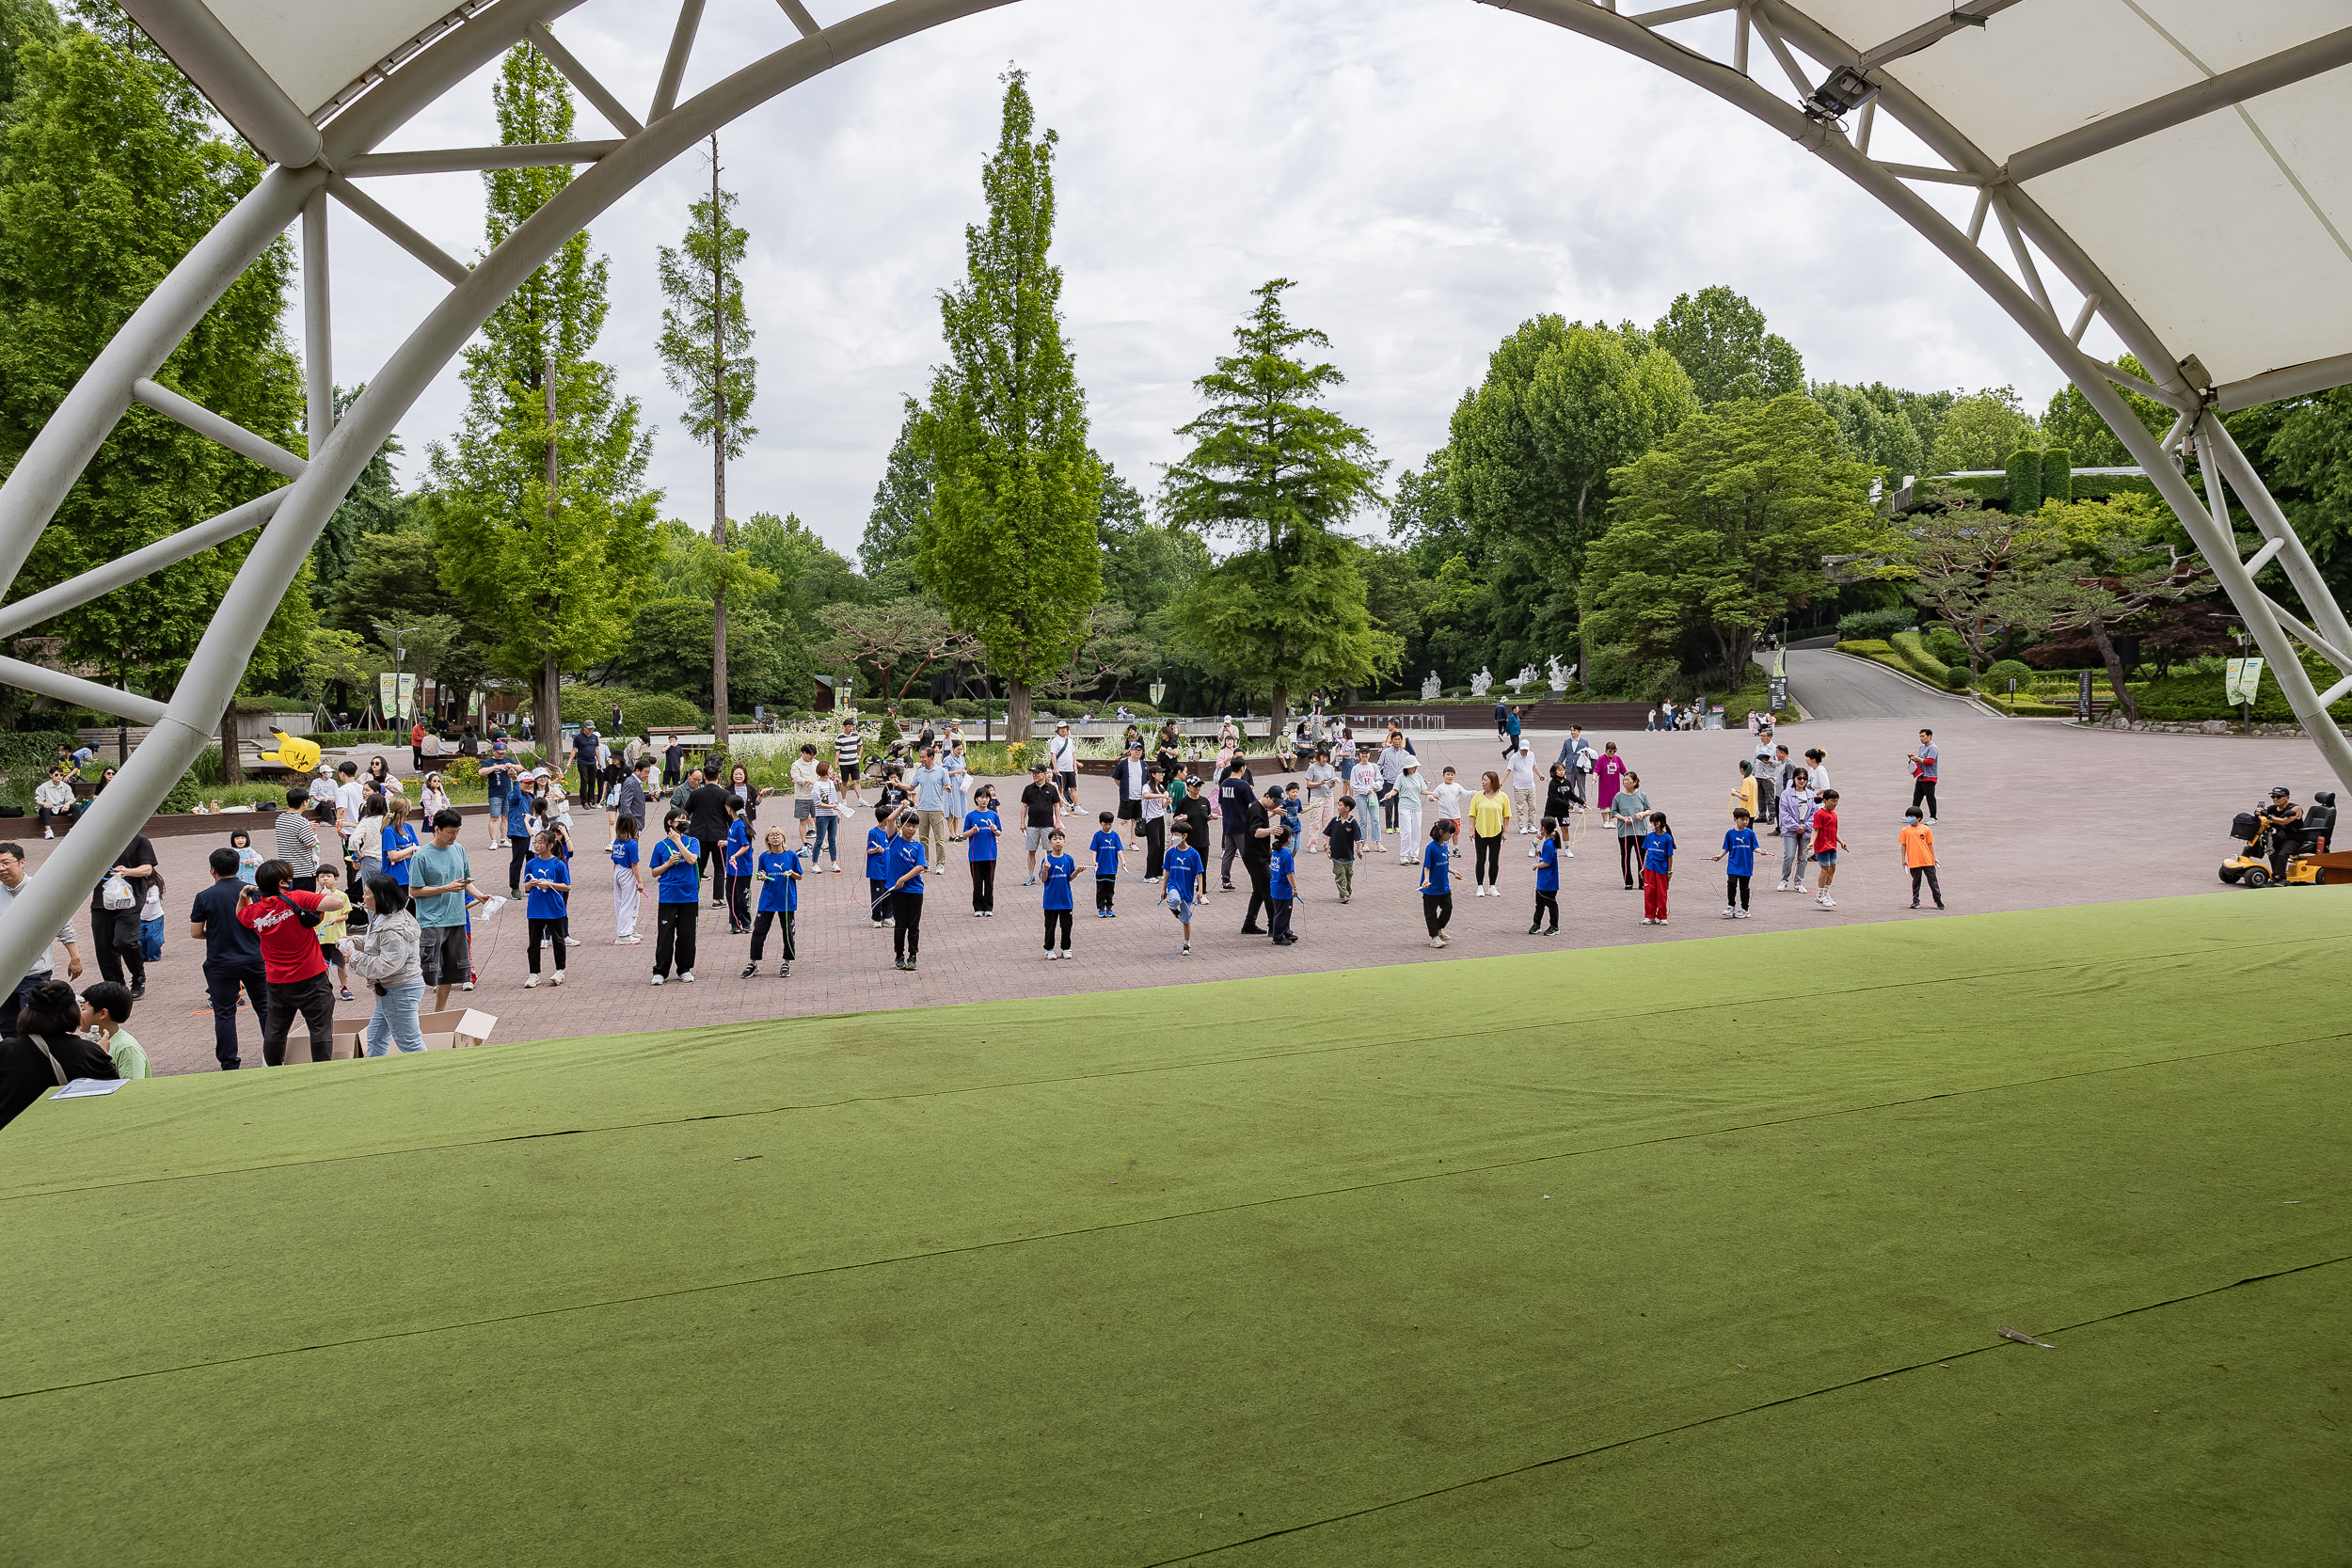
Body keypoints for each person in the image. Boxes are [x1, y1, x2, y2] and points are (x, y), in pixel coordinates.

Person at [238, 859, 345, 1065]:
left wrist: (245, 897)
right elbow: (337, 903)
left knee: (276, 1029)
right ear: (282, 882)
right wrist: (321, 894)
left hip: (277, 980)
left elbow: (241, 913)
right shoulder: (297, 897)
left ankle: (274, 1069)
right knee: (320, 1027)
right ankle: (324, 1070)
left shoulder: (254, 912)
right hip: (311, 976)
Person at [0, 979, 118, 1129]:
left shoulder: (7, 1049)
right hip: (63, 1134)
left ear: (28, 1012)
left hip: (10, 1136)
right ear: (72, 1012)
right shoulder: (87, 1052)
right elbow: (113, 1096)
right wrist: (101, 1055)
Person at [345, 874, 425, 1056]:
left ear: (380, 896)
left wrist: (355, 957)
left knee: (409, 1041)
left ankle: (433, 1076)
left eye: (366, 893)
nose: (362, 897)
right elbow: (377, 943)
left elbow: (387, 964)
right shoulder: (387, 916)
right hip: (392, 989)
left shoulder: (392, 927)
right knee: (375, 1037)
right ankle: (373, 1076)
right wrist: (355, 941)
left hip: (398, 989)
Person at [409, 809, 475, 1012]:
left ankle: (440, 1013)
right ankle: (413, 1013)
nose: (454, 836)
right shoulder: (421, 856)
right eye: (450, 832)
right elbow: (415, 891)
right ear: (436, 829)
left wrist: (480, 895)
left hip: (456, 920)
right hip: (431, 922)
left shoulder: (459, 849)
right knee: (426, 971)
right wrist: (445, 888)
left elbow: (465, 881)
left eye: (457, 831)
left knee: (449, 973)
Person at [89, 825, 158, 998]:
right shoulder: (97, 841)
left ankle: (138, 975)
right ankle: (116, 987)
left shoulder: (139, 840)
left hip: (130, 899)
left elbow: (147, 869)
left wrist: (128, 872)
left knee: (124, 941)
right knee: (104, 947)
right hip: (102, 900)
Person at [648, 809, 701, 985]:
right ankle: (660, 971)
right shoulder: (660, 846)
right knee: (665, 936)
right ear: (670, 823)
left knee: (687, 935)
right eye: (680, 819)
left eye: (686, 819)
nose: (685, 822)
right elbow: (655, 872)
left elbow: (692, 859)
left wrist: (679, 842)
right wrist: (668, 863)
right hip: (668, 897)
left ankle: (684, 969)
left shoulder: (692, 841)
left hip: (689, 896)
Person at [744, 827, 803, 977]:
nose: (775, 837)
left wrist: (792, 874)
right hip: (768, 900)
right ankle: (753, 962)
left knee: (788, 932)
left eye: (778, 835)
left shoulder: (791, 856)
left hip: (786, 900)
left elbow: (799, 876)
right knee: (758, 931)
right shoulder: (764, 857)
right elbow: (760, 874)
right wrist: (761, 876)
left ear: (783, 837)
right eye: (771, 835)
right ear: (767, 840)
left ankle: (786, 962)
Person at [884, 812, 927, 972]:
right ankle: (899, 955)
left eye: (914, 826)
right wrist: (902, 806)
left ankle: (913, 956)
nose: (911, 829)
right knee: (900, 925)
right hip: (898, 891)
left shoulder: (918, 846)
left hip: (915, 890)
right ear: (901, 825)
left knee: (913, 925)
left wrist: (903, 878)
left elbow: (920, 866)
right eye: (908, 825)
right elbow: (890, 819)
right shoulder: (894, 840)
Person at [79, 979, 148, 1079]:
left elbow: (133, 1088)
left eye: (83, 1009)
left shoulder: (127, 1048)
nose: (78, 1014)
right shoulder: (88, 1041)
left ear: (103, 1014)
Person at [686, 768, 731, 904]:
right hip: (719, 836)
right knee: (719, 868)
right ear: (718, 777)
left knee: (698, 868)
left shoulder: (696, 793)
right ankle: (717, 900)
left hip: (698, 835)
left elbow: (686, 811)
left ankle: (692, 897)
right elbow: (729, 816)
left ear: (704, 777)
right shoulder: (725, 794)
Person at [1239, 787, 1278, 934]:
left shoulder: (1261, 807)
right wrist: (1271, 830)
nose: (1276, 805)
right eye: (1275, 802)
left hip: (1259, 855)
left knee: (1258, 891)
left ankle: (1249, 924)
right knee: (1269, 891)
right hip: (1256, 858)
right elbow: (1256, 832)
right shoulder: (1256, 810)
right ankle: (1274, 927)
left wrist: (1274, 812)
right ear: (1267, 797)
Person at [1468, 770, 1512, 895]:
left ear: (1493, 782)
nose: (1483, 782)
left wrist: (1505, 831)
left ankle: (1492, 886)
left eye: (1486, 780)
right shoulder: (1478, 796)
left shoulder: (1503, 796)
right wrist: (1471, 830)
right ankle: (1480, 886)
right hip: (1480, 832)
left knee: (1494, 859)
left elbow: (1506, 815)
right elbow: (1472, 814)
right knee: (1480, 860)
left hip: (1496, 832)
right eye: (1482, 779)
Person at [1019, 763, 1064, 886]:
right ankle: (1031, 875)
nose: (1034, 775)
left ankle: (1049, 874)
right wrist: (1022, 822)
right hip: (1032, 824)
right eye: (1033, 773)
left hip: (1048, 825)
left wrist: (1058, 821)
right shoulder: (1028, 789)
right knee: (1031, 850)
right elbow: (1024, 806)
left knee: (1050, 851)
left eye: (1037, 773)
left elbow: (1056, 805)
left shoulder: (1051, 788)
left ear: (1044, 774)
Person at [1163, 821, 1204, 955]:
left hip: (1187, 889)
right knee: (1174, 898)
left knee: (1186, 919)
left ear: (1184, 836)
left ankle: (1187, 944)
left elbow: (1199, 873)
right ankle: (1173, 908)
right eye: (1173, 834)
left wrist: (1200, 890)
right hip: (1173, 885)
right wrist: (1164, 889)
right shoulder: (1170, 853)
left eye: (1176, 834)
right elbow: (1167, 871)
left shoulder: (1193, 854)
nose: (1174, 837)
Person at [909, 747, 951, 871]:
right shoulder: (920, 771)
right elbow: (911, 787)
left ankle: (940, 864)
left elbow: (948, 785)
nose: (921, 759)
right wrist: (898, 784)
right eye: (920, 757)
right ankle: (924, 863)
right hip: (922, 809)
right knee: (923, 838)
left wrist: (949, 787)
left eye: (923, 757)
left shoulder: (941, 771)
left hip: (936, 809)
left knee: (939, 838)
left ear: (931, 758)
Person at [314, 864, 353, 1001]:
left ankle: (344, 988)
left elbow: (346, 915)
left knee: (341, 963)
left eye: (329, 876)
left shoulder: (342, 896)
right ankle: (326, 989)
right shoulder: (315, 897)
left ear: (336, 879)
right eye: (322, 877)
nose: (325, 879)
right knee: (323, 965)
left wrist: (336, 919)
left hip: (338, 937)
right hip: (321, 938)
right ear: (317, 880)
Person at [1216, 758, 1255, 892]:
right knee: (1248, 854)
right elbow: (1254, 803)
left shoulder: (1224, 784)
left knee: (1228, 853)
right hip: (1241, 825)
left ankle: (1225, 881)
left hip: (1227, 824)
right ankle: (1257, 881)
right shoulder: (1243, 785)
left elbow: (1220, 803)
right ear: (1242, 768)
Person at [1714, 807, 1758, 919]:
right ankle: (1731, 905)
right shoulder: (1730, 833)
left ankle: (1745, 908)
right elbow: (1726, 847)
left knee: (1744, 887)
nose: (1745, 822)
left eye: (1747, 820)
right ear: (1735, 819)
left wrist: (1761, 851)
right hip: (1733, 864)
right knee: (1731, 883)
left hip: (1746, 865)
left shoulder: (1750, 833)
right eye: (1742, 820)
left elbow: (1755, 847)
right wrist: (1719, 856)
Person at [1610, 772, 1651, 892]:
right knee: (1626, 856)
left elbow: (1649, 810)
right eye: (1624, 780)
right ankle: (1628, 882)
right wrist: (1623, 818)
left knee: (1641, 857)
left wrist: (1642, 814)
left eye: (1628, 780)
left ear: (1635, 782)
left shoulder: (1642, 795)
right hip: (1625, 832)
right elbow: (1613, 812)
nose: (1625, 782)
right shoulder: (1618, 796)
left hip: (1640, 831)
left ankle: (1643, 881)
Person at [1039, 828, 1075, 959]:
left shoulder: (1068, 859)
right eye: (1055, 839)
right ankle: (1049, 949)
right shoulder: (1047, 861)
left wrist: (1078, 872)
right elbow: (1043, 880)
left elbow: (1069, 877)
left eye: (1060, 839)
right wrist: (1045, 870)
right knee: (1050, 927)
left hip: (1066, 900)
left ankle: (1066, 948)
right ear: (1050, 842)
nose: (1058, 842)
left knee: (1066, 926)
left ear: (1064, 841)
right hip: (1051, 901)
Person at [1419, 820, 1456, 948]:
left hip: (1444, 886)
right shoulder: (1431, 847)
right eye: (1449, 835)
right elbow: (1427, 866)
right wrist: (1426, 880)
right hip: (1431, 887)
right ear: (1441, 832)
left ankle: (1439, 929)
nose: (1450, 837)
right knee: (1431, 912)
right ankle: (1434, 937)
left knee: (1448, 908)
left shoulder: (1445, 846)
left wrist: (1453, 872)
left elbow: (1445, 863)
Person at [1777, 767, 1815, 894]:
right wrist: (1797, 827)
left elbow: (1816, 813)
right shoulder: (1786, 794)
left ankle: (1799, 883)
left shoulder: (1811, 795)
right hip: (1790, 830)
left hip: (1807, 829)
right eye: (1799, 778)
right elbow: (1784, 814)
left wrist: (1806, 826)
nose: (1802, 781)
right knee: (1789, 855)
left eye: (1805, 778)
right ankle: (1784, 880)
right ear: (1794, 778)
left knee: (1803, 858)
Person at [609, 813, 644, 945]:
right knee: (629, 902)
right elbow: (634, 864)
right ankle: (623, 934)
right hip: (628, 872)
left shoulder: (617, 842)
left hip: (618, 871)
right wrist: (640, 881)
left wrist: (614, 876)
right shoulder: (632, 844)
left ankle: (629, 928)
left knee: (621, 901)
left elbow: (614, 861)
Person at [723, 797, 755, 935]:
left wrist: (735, 856)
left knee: (742, 897)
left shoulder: (741, 825)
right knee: (730, 895)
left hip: (742, 869)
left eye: (726, 806)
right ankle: (735, 923)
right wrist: (726, 843)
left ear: (730, 808)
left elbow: (746, 845)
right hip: (731, 869)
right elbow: (735, 841)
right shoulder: (734, 823)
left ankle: (746, 923)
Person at [1901, 808, 1944, 910]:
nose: (1909, 819)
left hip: (1927, 860)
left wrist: (1935, 857)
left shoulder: (1926, 829)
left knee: (1933, 882)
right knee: (1916, 882)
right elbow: (1903, 845)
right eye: (1908, 817)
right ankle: (1915, 901)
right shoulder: (1905, 830)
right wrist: (1903, 859)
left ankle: (1938, 900)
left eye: (1911, 817)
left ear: (1919, 818)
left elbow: (1930, 844)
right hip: (1914, 860)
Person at [1639, 811, 1676, 926]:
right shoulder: (1649, 836)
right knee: (1649, 893)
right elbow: (1646, 853)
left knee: (1661, 893)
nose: (1651, 825)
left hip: (1661, 869)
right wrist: (1643, 868)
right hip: (1650, 868)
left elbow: (1670, 856)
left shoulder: (1667, 838)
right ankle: (1649, 916)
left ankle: (1662, 915)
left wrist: (1669, 871)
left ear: (1658, 823)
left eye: (1652, 823)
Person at [1324, 794, 1360, 903]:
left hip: (1348, 854)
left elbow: (1358, 838)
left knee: (1348, 874)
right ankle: (1344, 894)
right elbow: (1328, 834)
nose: (1338, 808)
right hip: (1336, 854)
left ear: (1347, 808)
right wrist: (1327, 847)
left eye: (1340, 805)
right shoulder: (1334, 821)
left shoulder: (1352, 823)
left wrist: (1359, 850)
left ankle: (1347, 891)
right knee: (1340, 874)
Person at [865, 809, 898, 929]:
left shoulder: (890, 832)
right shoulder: (873, 833)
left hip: (889, 870)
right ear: (885, 819)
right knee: (877, 894)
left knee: (889, 893)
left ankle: (887, 917)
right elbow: (868, 850)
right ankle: (876, 918)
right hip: (877, 870)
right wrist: (876, 849)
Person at [1530, 816, 1562, 936]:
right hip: (1543, 881)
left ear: (1544, 829)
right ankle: (1536, 924)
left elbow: (1547, 863)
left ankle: (1554, 926)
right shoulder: (1548, 843)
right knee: (1539, 904)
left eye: (1540, 826)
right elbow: (1547, 857)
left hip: (1549, 881)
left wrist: (1536, 865)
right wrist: (1540, 853)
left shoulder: (1549, 844)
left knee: (1551, 904)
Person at [1811, 788, 1842, 910]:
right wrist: (1811, 843)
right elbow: (1816, 830)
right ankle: (1819, 895)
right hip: (1822, 846)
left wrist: (1841, 842)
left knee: (1832, 868)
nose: (1835, 803)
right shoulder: (1819, 814)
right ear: (1825, 800)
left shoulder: (1834, 814)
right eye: (1832, 801)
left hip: (1832, 845)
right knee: (1825, 869)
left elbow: (1834, 831)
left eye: (1836, 801)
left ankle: (1826, 892)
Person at [809, 761, 843, 873]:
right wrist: (830, 807)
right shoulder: (817, 785)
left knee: (832, 840)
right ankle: (815, 863)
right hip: (822, 816)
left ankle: (834, 863)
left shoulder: (830, 783)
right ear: (824, 770)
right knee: (819, 840)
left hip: (832, 815)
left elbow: (834, 799)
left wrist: (837, 812)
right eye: (829, 769)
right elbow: (817, 803)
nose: (831, 771)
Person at [380, 796, 420, 892]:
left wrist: (400, 856)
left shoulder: (408, 827)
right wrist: (410, 849)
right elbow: (393, 856)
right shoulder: (389, 831)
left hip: (410, 874)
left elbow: (418, 849)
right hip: (395, 877)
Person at [1089, 811, 1123, 918]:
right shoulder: (1097, 835)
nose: (1107, 826)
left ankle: (1109, 907)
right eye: (1105, 824)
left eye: (1109, 824)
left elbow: (1119, 849)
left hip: (1112, 868)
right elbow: (1094, 849)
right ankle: (1100, 908)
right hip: (1100, 869)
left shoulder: (1115, 835)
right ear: (1100, 823)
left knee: (1110, 890)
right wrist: (1094, 861)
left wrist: (1123, 860)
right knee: (1100, 890)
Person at [1394, 758, 1427, 866]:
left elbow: (1422, 790)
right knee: (1406, 831)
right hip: (1404, 806)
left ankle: (1414, 855)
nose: (1415, 768)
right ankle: (1403, 855)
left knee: (1416, 831)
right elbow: (1395, 790)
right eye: (1413, 766)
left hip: (1416, 806)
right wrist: (1390, 794)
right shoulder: (1401, 777)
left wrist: (1432, 793)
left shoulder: (1418, 776)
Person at [789, 743, 821, 847]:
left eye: (813, 755)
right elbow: (796, 778)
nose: (812, 757)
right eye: (810, 755)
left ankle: (821, 841)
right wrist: (806, 781)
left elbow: (821, 775)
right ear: (803, 753)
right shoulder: (796, 765)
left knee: (819, 819)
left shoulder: (817, 763)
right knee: (803, 821)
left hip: (816, 796)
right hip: (802, 796)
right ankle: (804, 842)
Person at [1434, 767, 1469, 853]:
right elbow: (1433, 795)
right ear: (1443, 775)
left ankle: (1455, 848)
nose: (1450, 777)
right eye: (1448, 775)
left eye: (1452, 775)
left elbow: (1465, 793)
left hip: (1455, 814)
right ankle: (1446, 848)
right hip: (1444, 815)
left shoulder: (1457, 786)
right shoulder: (1440, 787)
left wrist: (1475, 793)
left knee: (1456, 832)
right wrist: (1431, 798)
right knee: (1445, 832)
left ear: (1454, 776)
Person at [1506, 743, 1538, 837]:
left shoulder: (1531, 755)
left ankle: (1531, 825)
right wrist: (1500, 782)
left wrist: (1540, 775)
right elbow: (1508, 770)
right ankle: (1521, 826)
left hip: (1531, 786)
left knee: (1532, 807)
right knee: (1520, 808)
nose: (1524, 752)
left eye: (1526, 750)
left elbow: (1534, 766)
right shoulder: (1514, 758)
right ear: (1519, 748)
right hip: (1519, 787)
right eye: (1523, 750)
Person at [1908, 730, 1939, 824]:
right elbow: (1921, 759)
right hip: (1921, 776)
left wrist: (1917, 759)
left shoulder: (1932, 748)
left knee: (1930, 797)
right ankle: (1913, 816)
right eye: (1920, 736)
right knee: (1917, 797)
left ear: (1929, 736)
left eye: (1923, 736)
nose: (1921, 738)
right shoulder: (1922, 747)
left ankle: (1933, 817)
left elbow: (1930, 761)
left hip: (1929, 776)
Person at [34, 767, 74, 837]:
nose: (59, 777)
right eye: (56, 775)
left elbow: (71, 799)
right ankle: (48, 831)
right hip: (49, 808)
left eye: (61, 775)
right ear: (51, 775)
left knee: (75, 806)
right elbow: (38, 801)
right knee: (46, 808)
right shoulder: (43, 787)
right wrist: (45, 803)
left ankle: (74, 829)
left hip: (61, 808)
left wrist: (67, 804)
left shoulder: (66, 786)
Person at [1048, 721, 1079, 808]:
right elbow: (1053, 754)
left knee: (1074, 788)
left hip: (1070, 769)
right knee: (1060, 789)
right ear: (1058, 730)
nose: (1063, 730)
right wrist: (1055, 767)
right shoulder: (1055, 741)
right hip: (1060, 769)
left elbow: (1073, 753)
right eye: (1061, 728)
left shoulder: (1069, 740)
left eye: (1065, 728)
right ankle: (1061, 808)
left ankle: (1076, 806)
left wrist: (1075, 766)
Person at [1593, 741, 1626, 816]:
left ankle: (1611, 821)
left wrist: (1629, 777)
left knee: (1614, 802)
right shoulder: (1601, 759)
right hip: (1604, 785)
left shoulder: (1618, 759)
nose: (1612, 753)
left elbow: (1624, 771)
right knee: (1604, 802)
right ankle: (1605, 821)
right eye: (1610, 751)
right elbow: (1596, 770)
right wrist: (1594, 778)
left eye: (1614, 751)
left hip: (1615, 785)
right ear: (1606, 750)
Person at [1730, 759, 1759, 825]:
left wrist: (1735, 794)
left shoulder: (1746, 781)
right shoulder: (1752, 778)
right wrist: (1739, 792)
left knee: (1746, 829)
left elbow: (1746, 797)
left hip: (1746, 809)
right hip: (1753, 808)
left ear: (1742, 769)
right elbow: (1750, 792)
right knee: (1750, 828)